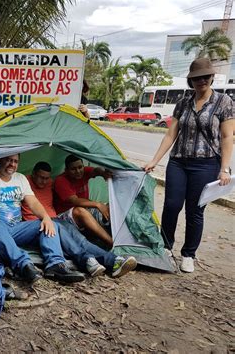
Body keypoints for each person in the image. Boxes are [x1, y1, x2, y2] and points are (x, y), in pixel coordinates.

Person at [144, 58, 234, 273]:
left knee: (195, 211)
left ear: (211, 77)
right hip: (178, 162)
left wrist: (224, 168)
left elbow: (227, 136)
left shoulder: (224, 102)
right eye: (196, 78)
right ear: (190, 80)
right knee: (172, 205)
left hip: (206, 165)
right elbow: (170, 134)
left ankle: (188, 254)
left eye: (205, 76)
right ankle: (165, 247)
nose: (201, 80)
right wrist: (154, 161)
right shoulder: (183, 102)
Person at [0, 154, 85, 284]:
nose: (12, 164)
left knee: (50, 224)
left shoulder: (20, 178)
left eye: (15, 161)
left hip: (14, 229)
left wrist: (46, 217)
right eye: (8, 160)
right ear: (0, 160)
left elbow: (33, 202)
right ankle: (23, 265)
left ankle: (55, 265)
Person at [22, 162, 137, 278]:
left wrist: (104, 173)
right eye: (41, 178)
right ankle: (92, 261)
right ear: (33, 174)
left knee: (82, 241)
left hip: (56, 219)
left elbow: (92, 171)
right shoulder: (24, 182)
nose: (44, 181)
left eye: (47, 178)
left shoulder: (51, 183)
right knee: (74, 241)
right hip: (39, 223)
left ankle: (114, 260)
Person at [54, 155, 114, 247]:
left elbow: (95, 171)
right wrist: (97, 204)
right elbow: (75, 201)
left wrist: (103, 173)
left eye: (80, 167)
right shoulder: (61, 181)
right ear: (66, 170)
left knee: (110, 207)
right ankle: (112, 243)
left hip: (84, 209)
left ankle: (120, 237)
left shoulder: (83, 172)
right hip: (63, 217)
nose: (78, 171)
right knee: (80, 211)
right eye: (73, 169)